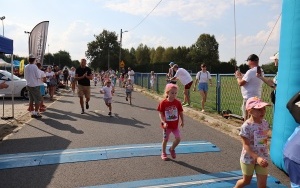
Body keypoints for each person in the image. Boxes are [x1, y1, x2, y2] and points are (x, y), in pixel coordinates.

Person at [234, 97, 270, 188]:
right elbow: (246, 145)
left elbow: (263, 140)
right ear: (250, 111)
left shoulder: (265, 123)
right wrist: (256, 157)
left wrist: (264, 154)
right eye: (258, 109)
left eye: (264, 109)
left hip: (262, 158)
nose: (262, 111)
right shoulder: (246, 126)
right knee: (246, 181)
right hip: (248, 158)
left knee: (262, 185)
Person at [157, 83, 184, 161]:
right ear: (167, 92)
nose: (174, 94)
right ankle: (163, 153)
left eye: (175, 93)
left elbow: (181, 112)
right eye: (172, 93)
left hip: (175, 126)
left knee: (178, 139)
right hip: (167, 126)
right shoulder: (163, 103)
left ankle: (172, 149)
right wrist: (163, 121)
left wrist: (182, 121)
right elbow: (161, 113)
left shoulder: (178, 103)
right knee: (165, 140)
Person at [235, 54, 263, 121]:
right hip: (257, 97)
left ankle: (245, 129)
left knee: (246, 116)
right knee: (253, 116)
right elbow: (250, 78)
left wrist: (238, 77)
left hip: (248, 97)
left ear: (251, 61)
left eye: (248, 61)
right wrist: (242, 75)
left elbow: (241, 83)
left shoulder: (250, 71)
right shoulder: (260, 70)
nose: (247, 63)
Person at [24, 54, 42, 118]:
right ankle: (36, 112)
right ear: (34, 60)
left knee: (31, 99)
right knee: (38, 99)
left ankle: (32, 112)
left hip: (28, 84)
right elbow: (38, 76)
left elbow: (25, 76)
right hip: (34, 85)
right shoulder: (34, 66)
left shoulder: (26, 66)